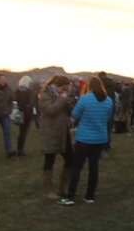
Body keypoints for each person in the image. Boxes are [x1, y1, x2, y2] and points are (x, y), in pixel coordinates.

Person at [58, 76, 114, 205]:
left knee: (76, 168)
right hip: (100, 138)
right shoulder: (109, 101)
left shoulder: (84, 99)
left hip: (84, 138)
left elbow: (75, 115)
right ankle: (89, 196)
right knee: (93, 167)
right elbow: (107, 118)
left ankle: (70, 197)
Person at [39, 75, 74, 200]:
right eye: (63, 89)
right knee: (50, 161)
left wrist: (69, 102)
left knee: (70, 159)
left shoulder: (62, 97)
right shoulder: (45, 95)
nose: (64, 91)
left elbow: (70, 112)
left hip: (63, 132)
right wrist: (62, 99)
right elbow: (51, 111)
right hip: (50, 133)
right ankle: (48, 190)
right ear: (57, 86)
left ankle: (62, 187)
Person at [14, 76, 36, 156]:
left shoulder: (17, 91)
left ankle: (20, 149)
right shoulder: (29, 92)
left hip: (20, 113)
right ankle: (20, 149)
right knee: (23, 132)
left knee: (22, 132)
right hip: (26, 114)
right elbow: (32, 102)